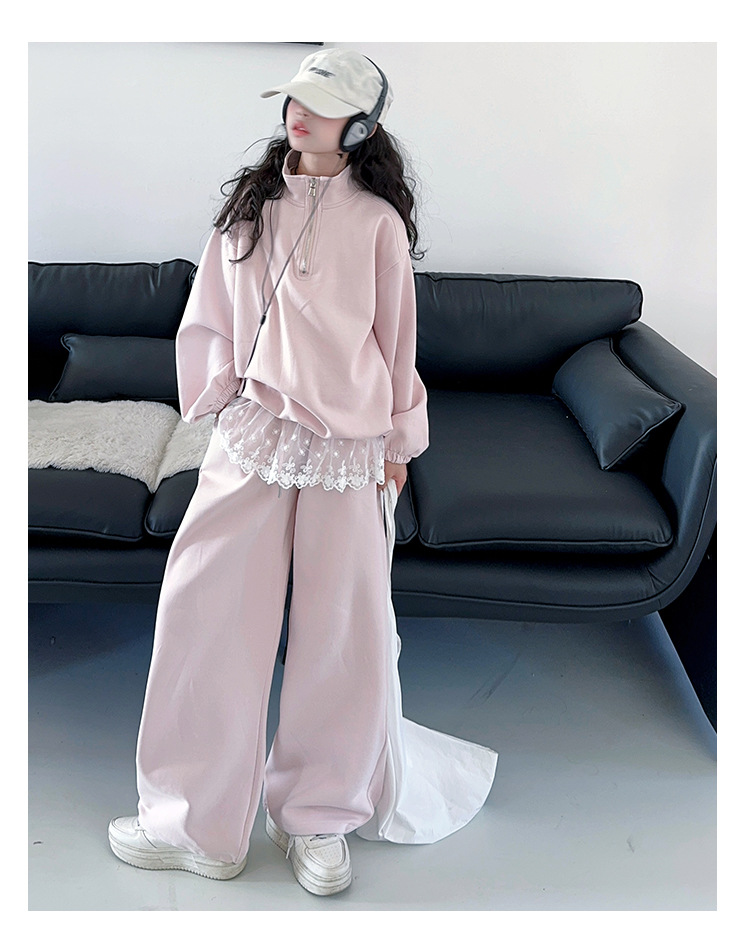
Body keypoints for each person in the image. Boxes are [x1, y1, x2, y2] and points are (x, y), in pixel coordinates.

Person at [107, 48, 430, 896]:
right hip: (256, 434)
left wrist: (397, 446)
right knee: (203, 611)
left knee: (342, 635)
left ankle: (318, 817)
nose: (299, 113)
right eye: (294, 99)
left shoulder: (378, 225)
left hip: (348, 447)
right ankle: (194, 822)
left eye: (320, 103)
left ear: (360, 125)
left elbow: (397, 344)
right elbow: (208, 314)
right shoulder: (250, 210)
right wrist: (221, 396)